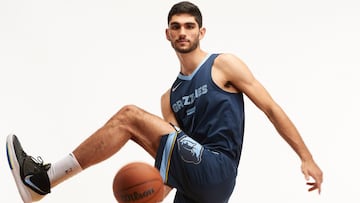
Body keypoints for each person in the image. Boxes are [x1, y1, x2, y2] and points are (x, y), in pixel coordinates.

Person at [6, 1, 323, 203]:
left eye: (189, 26)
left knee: (129, 116)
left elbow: (270, 108)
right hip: (196, 188)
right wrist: (150, 192)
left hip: (220, 168)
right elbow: (173, 157)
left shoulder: (223, 65)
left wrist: (306, 157)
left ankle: (42, 180)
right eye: (176, 26)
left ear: (201, 31)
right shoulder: (169, 97)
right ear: (167, 34)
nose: (183, 32)